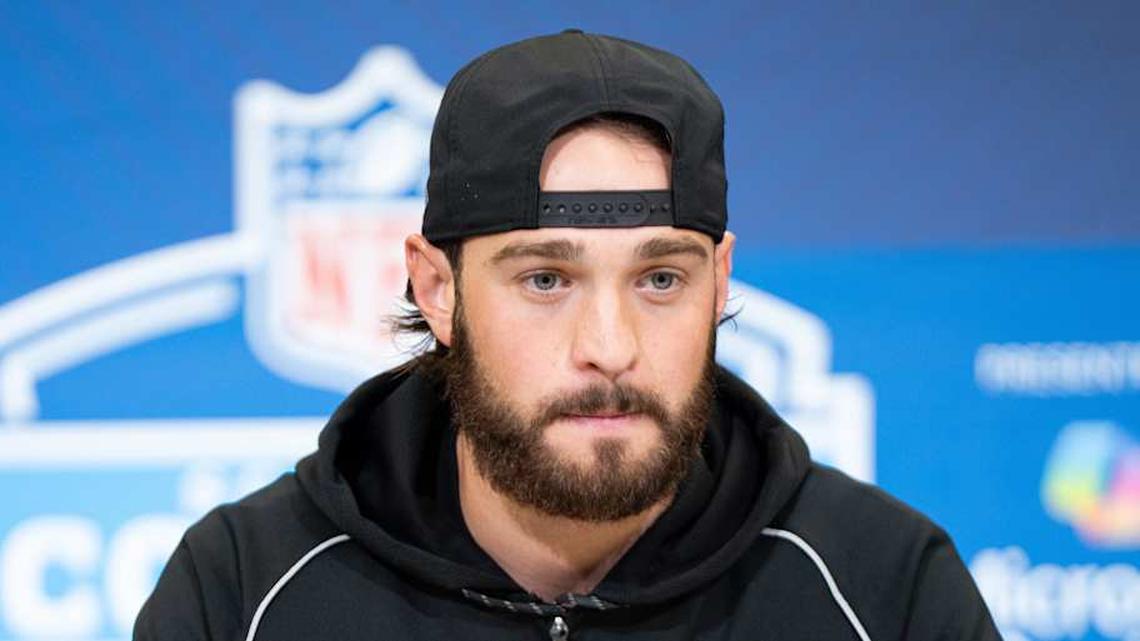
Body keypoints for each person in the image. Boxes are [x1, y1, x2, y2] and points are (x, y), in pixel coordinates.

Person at [135, 30, 1000, 640]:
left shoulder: (884, 588)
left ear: (720, 283)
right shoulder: (243, 590)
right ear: (437, 288)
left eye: (660, 278)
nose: (610, 345)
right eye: (545, 279)